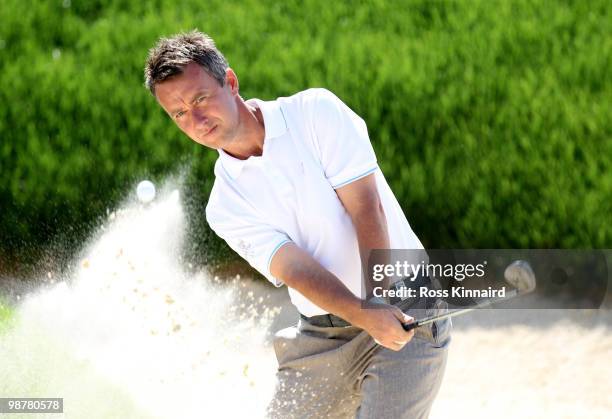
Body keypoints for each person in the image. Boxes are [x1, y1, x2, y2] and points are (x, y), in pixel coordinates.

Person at [144, 30, 451, 418]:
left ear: (231, 82)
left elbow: (366, 207)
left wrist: (377, 303)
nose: (196, 120)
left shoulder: (315, 113)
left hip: (403, 300)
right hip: (323, 337)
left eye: (200, 98)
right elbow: (296, 270)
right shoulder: (224, 206)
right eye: (180, 114)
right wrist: (363, 314)